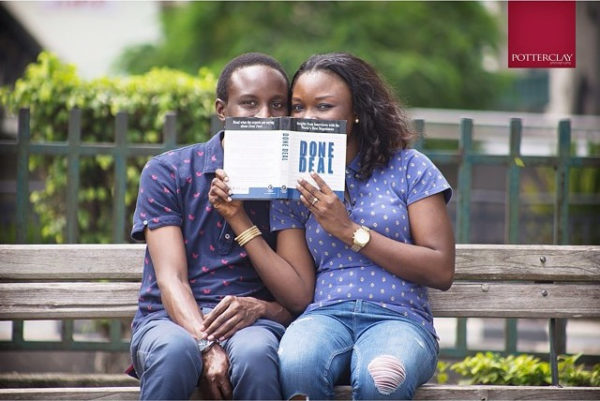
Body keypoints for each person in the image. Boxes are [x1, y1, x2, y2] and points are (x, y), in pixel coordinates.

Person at [209, 52, 455, 400]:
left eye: (323, 107)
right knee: (296, 365)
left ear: (356, 112)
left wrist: (349, 230)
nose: (308, 118)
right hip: (324, 317)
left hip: (398, 319)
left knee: (382, 377)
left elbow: (441, 268)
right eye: (298, 107)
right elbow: (297, 294)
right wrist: (237, 217)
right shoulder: (294, 184)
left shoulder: (409, 167)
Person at [128, 52, 293, 400]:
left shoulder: (290, 183)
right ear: (222, 110)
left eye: (277, 105)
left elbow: (296, 293)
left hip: (251, 323)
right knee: (174, 352)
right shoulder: (169, 172)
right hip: (169, 319)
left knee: (256, 354)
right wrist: (205, 344)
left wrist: (261, 308)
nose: (265, 116)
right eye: (249, 103)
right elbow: (170, 279)